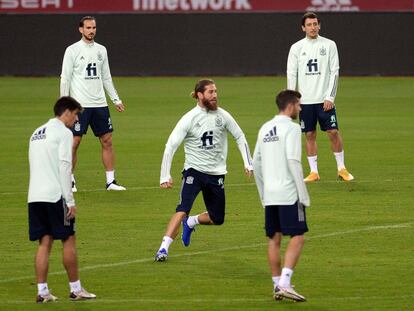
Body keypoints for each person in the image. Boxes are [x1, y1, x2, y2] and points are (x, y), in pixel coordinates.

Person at [154, 79, 253, 262]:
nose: (215, 95)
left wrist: (248, 162)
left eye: (215, 91)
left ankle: (192, 222)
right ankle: (163, 248)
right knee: (182, 208)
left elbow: (239, 136)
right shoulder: (190, 118)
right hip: (194, 172)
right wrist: (164, 175)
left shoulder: (222, 116)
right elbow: (171, 145)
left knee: (218, 218)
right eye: (210, 92)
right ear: (200, 95)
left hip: (217, 174)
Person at [28, 97, 96, 303]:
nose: (76, 120)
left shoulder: (36, 133)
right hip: (56, 195)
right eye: (76, 114)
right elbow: (65, 167)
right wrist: (70, 201)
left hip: (34, 196)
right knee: (68, 239)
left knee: (44, 242)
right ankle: (76, 289)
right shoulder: (64, 133)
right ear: (66, 112)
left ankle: (42, 291)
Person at [253, 90, 310, 302]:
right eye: (299, 105)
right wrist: (303, 194)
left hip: (270, 194)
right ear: (291, 105)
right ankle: (285, 283)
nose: (301, 108)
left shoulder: (265, 127)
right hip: (289, 193)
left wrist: (263, 192)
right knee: (298, 236)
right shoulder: (293, 129)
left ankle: (277, 285)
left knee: (274, 239)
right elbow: (294, 161)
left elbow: (256, 162)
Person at [60, 16, 126, 192]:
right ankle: (70, 180)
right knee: (74, 142)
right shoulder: (72, 50)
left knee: (107, 141)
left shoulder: (101, 50)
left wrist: (115, 99)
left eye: (94, 27)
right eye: (88, 28)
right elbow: (65, 78)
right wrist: (64, 104)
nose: (91, 31)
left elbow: (106, 76)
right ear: (80, 29)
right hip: (79, 105)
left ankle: (111, 181)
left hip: (100, 104)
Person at [287, 11, 354, 182]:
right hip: (305, 101)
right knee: (309, 134)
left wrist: (330, 97)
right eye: (309, 25)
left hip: (324, 100)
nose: (312, 27)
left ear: (319, 25)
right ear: (303, 28)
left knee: (333, 132)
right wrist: (292, 99)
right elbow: (291, 74)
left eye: (315, 24)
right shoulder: (296, 48)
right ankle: (314, 172)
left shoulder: (330, 45)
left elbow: (335, 72)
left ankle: (342, 168)